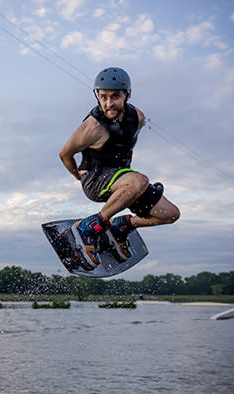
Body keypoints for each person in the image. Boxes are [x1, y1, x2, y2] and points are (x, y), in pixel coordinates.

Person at [59, 67, 180, 269]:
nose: (108, 103)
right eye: (103, 97)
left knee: (170, 214)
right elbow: (64, 154)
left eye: (115, 96)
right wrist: (79, 177)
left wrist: (129, 185)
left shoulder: (138, 118)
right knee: (140, 180)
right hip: (96, 179)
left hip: (124, 182)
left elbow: (122, 145)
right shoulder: (92, 127)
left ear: (128, 95)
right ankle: (90, 227)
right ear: (97, 95)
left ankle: (124, 225)